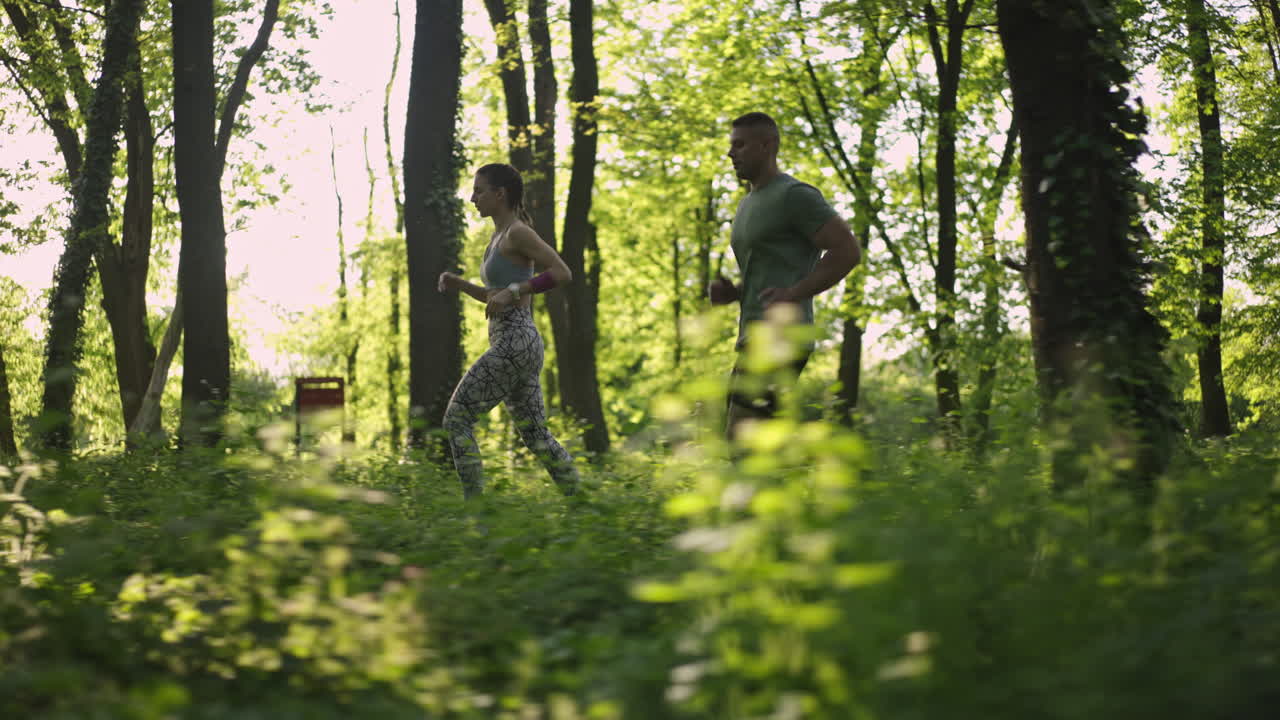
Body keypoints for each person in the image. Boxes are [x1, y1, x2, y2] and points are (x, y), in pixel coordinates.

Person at [709, 112, 862, 438]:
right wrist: (736, 292)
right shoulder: (748, 204)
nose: (731, 153)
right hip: (753, 335)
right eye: (730, 145)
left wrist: (794, 294)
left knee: (744, 441)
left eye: (740, 145)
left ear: (767, 145)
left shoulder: (795, 195)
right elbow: (773, 273)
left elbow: (847, 250)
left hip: (782, 336)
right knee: (753, 442)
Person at [437, 163, 579, 499]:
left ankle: (478, 514)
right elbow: (495, 296)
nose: (473, 198)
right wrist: (460, 285)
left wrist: (515, 291)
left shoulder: (518, 232)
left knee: (457, 420)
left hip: (516, 341)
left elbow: (562, 272)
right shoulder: (498, 237)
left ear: (500, 194)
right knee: (535, 435)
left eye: (479, 190)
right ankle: (582, 501)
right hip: (517, 343)